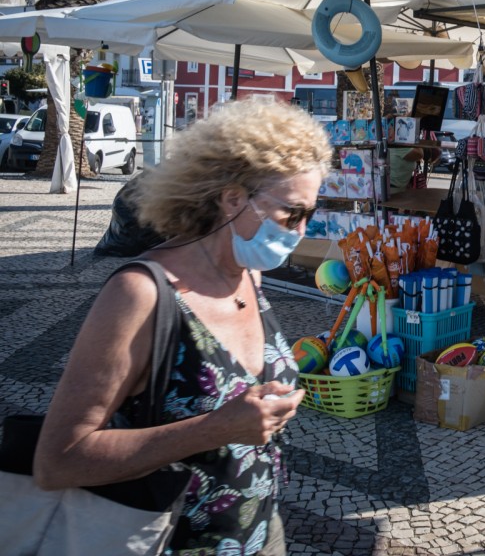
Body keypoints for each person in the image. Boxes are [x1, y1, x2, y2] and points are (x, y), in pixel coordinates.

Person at [34, 99, 332, 555]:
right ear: (234, 198)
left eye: (310, 214)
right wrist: (214, 428)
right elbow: (58, 461)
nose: (301, 230)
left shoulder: (248, 274)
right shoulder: (142, 293)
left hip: (260, 534)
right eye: (292, 212)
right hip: (165, 540)